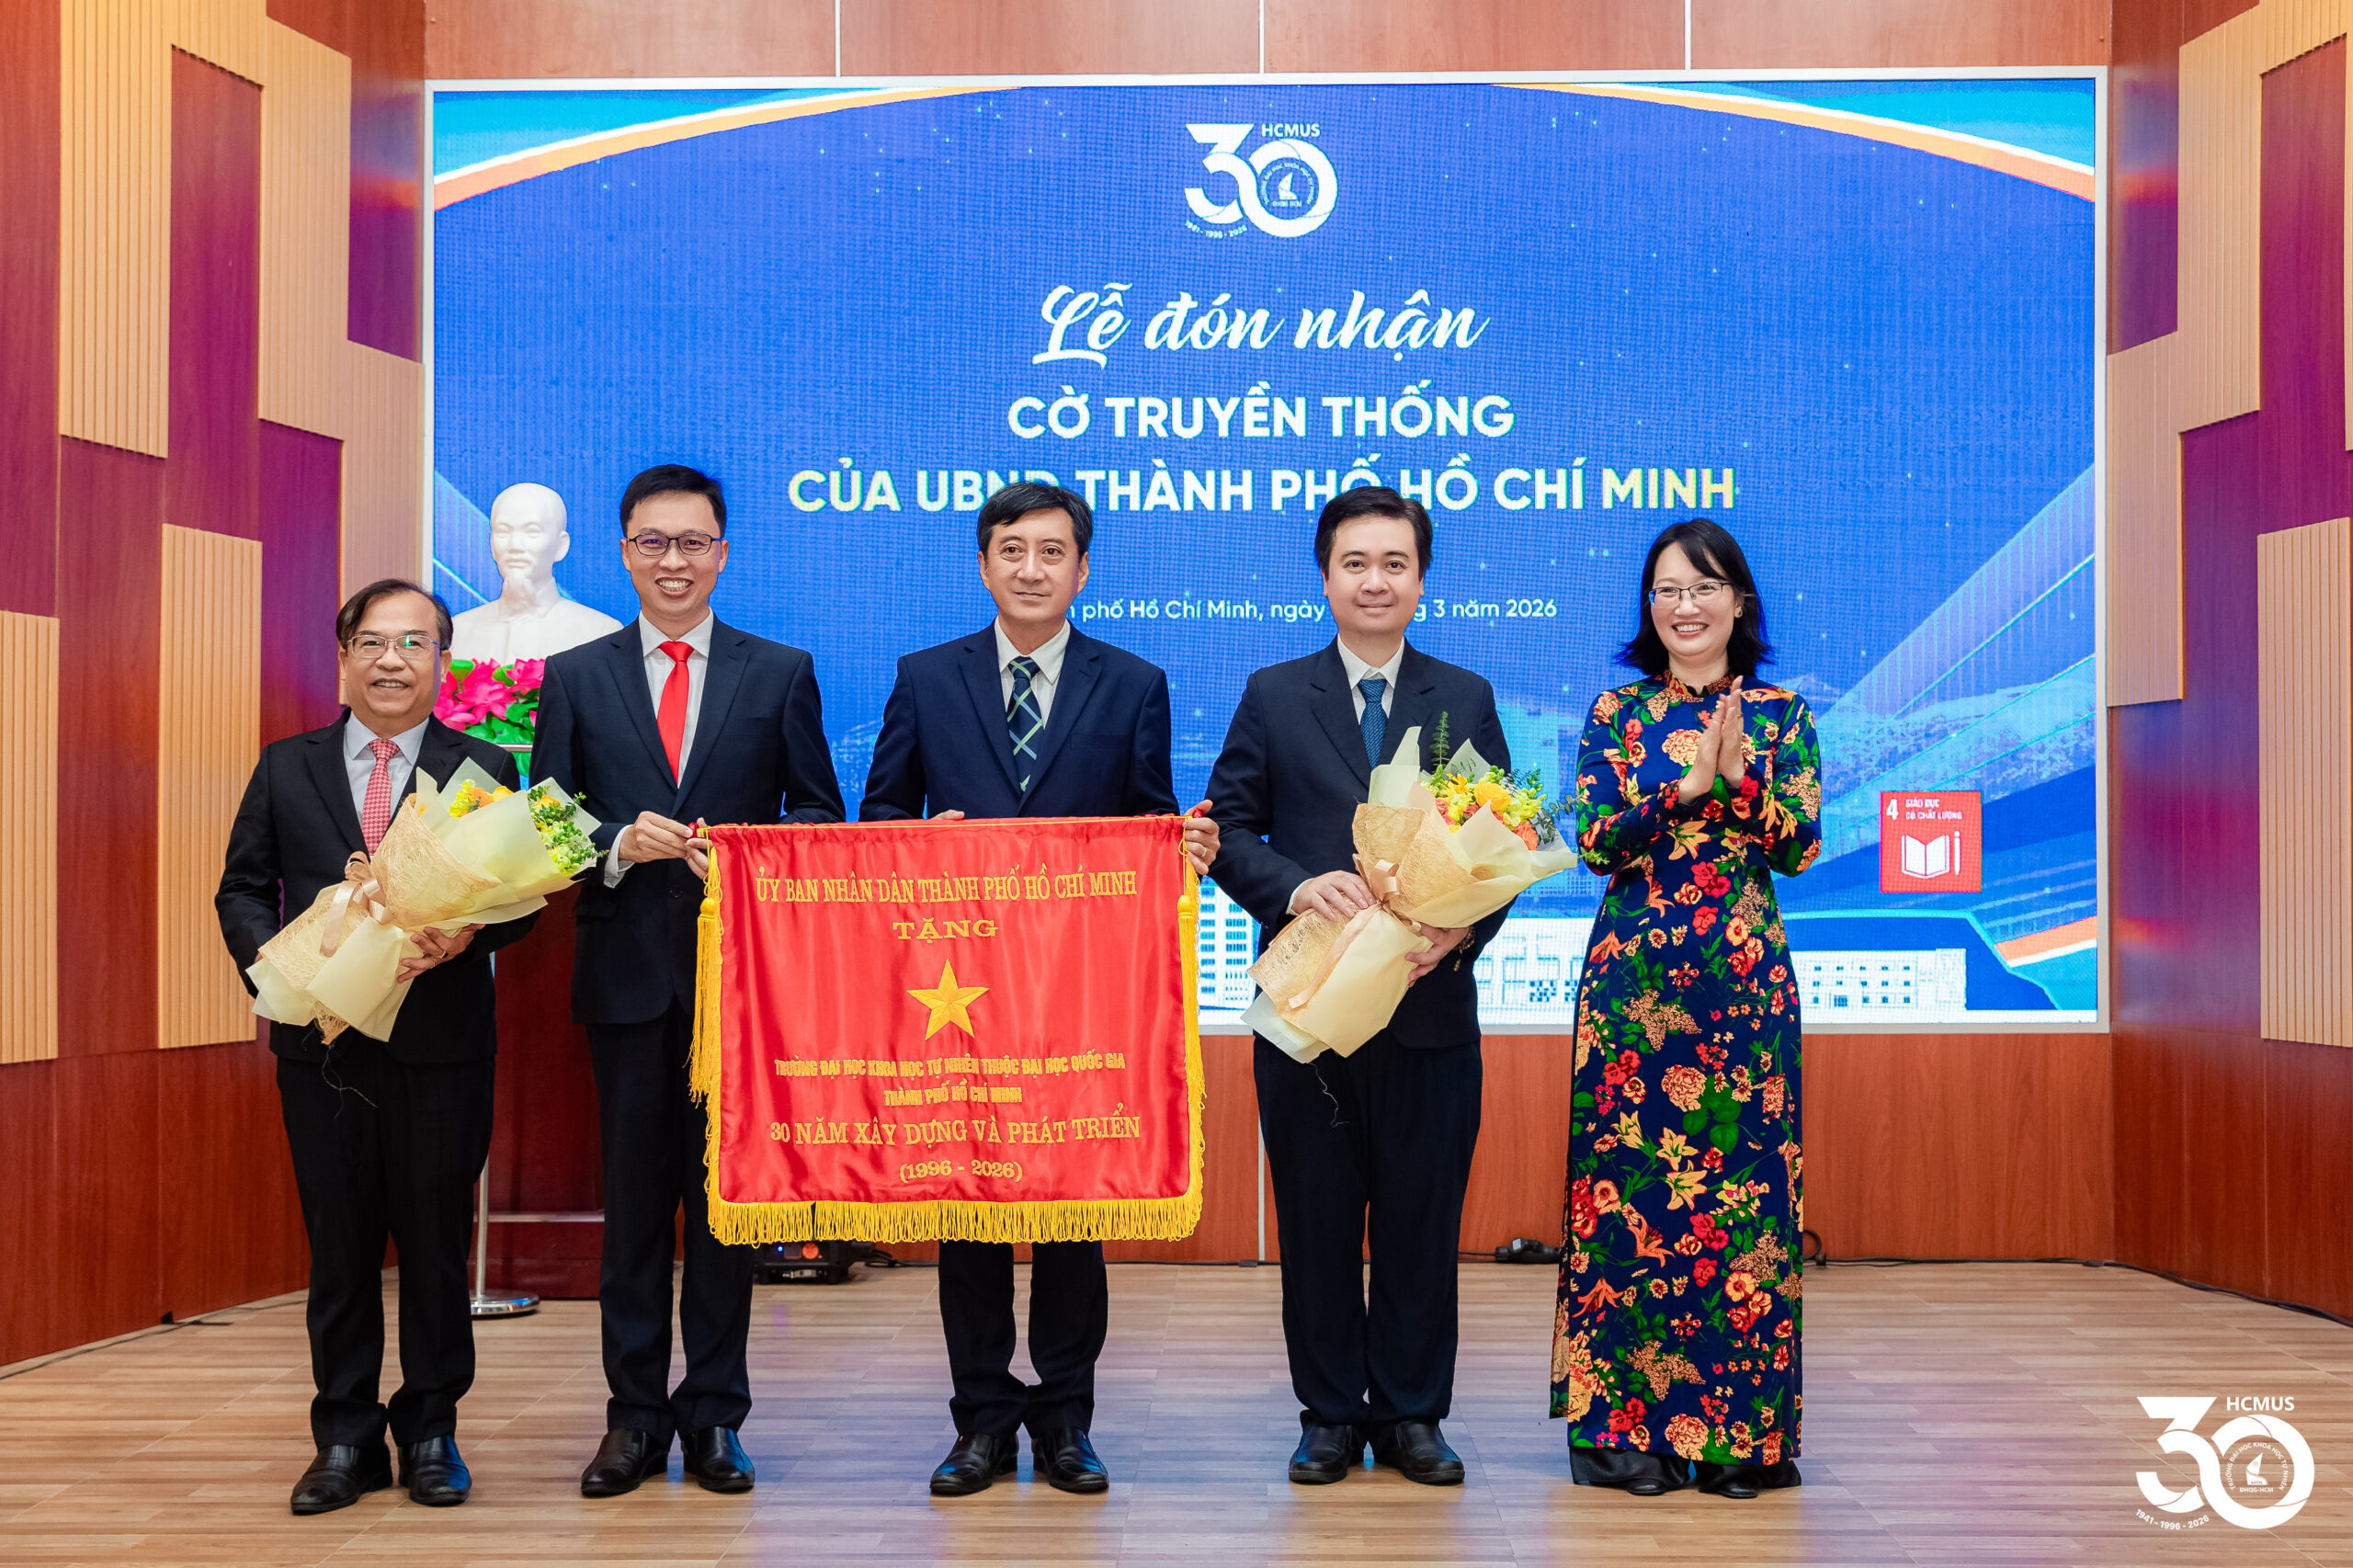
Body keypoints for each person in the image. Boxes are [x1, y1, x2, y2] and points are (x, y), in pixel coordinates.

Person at [861, 482, 1220, 1497]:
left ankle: (1066, 1419)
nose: (1031, 568)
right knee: (968, 1210)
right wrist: (914, 842)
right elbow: (879, 818)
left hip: (1078, 991)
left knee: (1071, 1212)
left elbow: (1147, 825)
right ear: (983, 564)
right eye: (1012, 550)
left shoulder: (1133, 682)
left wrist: (1183, 848)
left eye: (1052, 552)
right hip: (958, 993)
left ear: (1082, 569)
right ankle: (978, 1420)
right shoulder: (924, 676)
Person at [531, 465, 844, 1498]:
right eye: (653, 542)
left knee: (724, 1212)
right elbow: (546, 819)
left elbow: (818, 815)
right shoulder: (574, 675)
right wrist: (618, 843)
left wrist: (746, 858)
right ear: (625, 552)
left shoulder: (779, 670)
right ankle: (631, 1419)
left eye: (693, 542)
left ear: (723, 552)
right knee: (633, 1212)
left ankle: (715, 1417)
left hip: (736, 990)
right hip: (624, 977)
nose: (674, 561)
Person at [1205, 487, 1510, 1488]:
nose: (1374, 581)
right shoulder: (1272, 692)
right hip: (1309, 1012)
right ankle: (1330, 1414)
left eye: (1394, 563)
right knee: (1317, 1221)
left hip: (1428, 1006)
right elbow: (1228, 831)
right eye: (1355, 563)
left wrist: (1460, 928)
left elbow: (1501, 843)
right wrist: (1296, 885)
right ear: (1325, 577)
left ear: (1421, 579)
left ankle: (1413, 1413)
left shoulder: (1463, 696)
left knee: (1422, 1223)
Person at [217, 579, 537, 1515]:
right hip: (321, 1044)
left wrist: (471, 933)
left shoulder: (484, 765)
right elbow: (242, 888)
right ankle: (345, 1438)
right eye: (373, 642)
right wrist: (280, 964)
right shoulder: (287, 765)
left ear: (443, 660)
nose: (392, 660)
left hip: (441, 1045)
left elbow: (522, 899)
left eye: (414, 643)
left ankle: (431, 1430)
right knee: (340, 1247)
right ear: (345, 656)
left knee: (436, 1243)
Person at [1552, 519, 1820, 1498]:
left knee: (1745, 1208)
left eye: (1704, 587)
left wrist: (1740, 782)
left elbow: (1799, 846)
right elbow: (1595, 840)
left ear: (1738, 602)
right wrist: (1684, 787)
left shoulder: (1783, 715)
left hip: (1742, 990)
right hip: (1634, 996)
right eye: (1666, 589)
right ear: (1649, 607)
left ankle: (1743, 1435)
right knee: (1631, 1205)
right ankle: (1623, 1434)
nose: (1685, 606)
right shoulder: (1617, 713)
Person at [448, 481, 625, 662]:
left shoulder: (601, 633)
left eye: (532, 532)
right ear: (492, 545)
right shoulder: (457, 632)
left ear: (561, 545)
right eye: (503, 532)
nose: (515, 546)